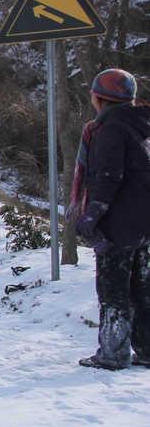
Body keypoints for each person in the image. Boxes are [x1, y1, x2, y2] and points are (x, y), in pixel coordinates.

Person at [68, 68, 150, 370]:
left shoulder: (110, 128)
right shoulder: (138, 124)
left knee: (113, 289)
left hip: (119, 224)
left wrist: (92, 213)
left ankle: (113, 354)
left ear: (101, 97)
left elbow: (107, 176)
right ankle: (146, 349)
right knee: (142, 288)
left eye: (93, 92)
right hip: (142, 222)